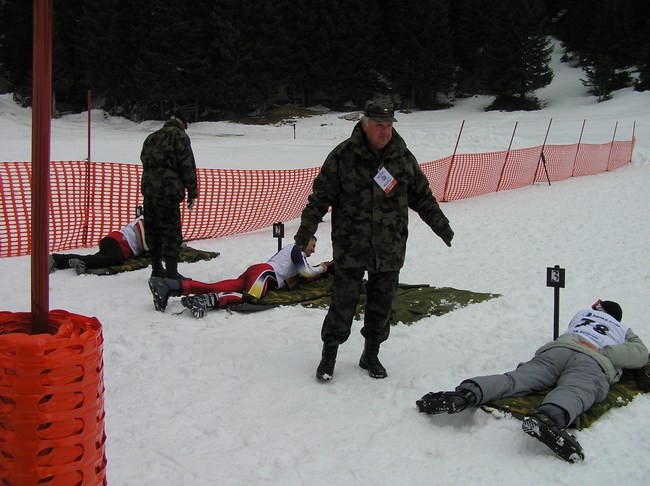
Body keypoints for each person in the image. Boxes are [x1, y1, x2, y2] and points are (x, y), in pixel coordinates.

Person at [293, 100, 454, 383]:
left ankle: (371, 354)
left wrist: (442, 227)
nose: (385, 131)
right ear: (365, 125)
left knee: (382, 305)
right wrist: (305, 234)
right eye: (379, 125)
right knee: (343, 304)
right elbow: (319, 198)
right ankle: (329, 355)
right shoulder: (343, 156)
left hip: (389, 247)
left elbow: (422, 196)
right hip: (351, 247)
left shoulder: (402, 158)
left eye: (389, 125)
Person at [416, 299, 648, 463]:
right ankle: (547, 419)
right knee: (577, 388)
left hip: (557, 351)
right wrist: (607, 353)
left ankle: (465, 395)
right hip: (592, 361)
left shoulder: (582, 314)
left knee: (515, 379)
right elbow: (640, 354)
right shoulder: (623, 329)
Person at [148, 236, 333, 317]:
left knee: (217, 286)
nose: (313, 250)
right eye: (312, 245)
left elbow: (306, 273)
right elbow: (306, 272)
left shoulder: (294, 252)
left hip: (256, 271)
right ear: (305, 241)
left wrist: (323, 268)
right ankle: (209, 301)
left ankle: (171, 286)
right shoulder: (296, 250)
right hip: (264, 274)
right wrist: (322, 269)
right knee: (252, 298)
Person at [140, 113, 198, 280]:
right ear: (183, 123)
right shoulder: (179, 136)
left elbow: (144, 160)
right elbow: (187, 165)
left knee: (153, 230)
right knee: (171, 231)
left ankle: (157, 268)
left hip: (149, 192)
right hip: (168, 192)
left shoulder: (151, 137)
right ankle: (172, 272)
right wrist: (192, 191)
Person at [49, 214, 147, 275]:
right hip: (116, 241)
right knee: (114, 260)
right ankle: (56, 258)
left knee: (99, 260)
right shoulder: (146, 219)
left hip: (119, 245)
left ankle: (61, 261)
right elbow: (141, 236)